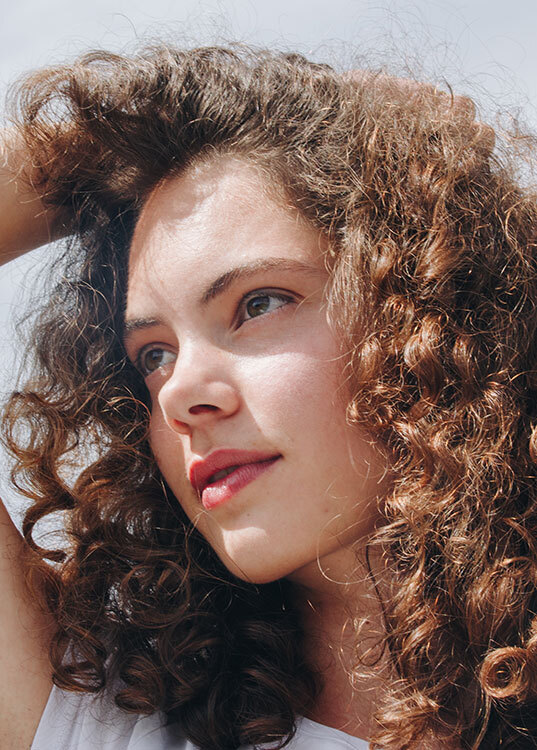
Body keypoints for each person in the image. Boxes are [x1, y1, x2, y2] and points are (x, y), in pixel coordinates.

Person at [0, 44, 536, 750]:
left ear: (432, 306)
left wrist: (335, 124)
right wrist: (142, 124)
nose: (180, 394)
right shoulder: (111, 718)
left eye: (259, 304)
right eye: (154, 355)